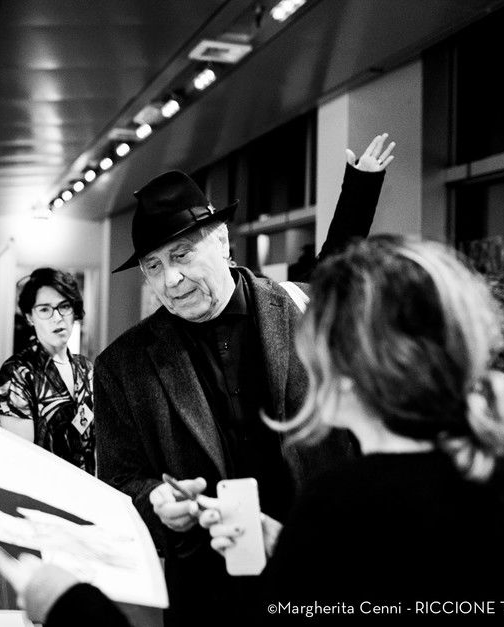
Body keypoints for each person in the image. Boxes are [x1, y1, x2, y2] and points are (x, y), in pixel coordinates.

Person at [94, 135, 394, 626]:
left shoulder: (299, 310)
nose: (171, 280)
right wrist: (157, 503)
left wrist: (360, 188)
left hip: (318, 574)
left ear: (222, 242)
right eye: (154, 267)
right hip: (207, 598)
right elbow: (121, 484)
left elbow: (339, 271)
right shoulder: (122, 368)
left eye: (182, 255)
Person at [198, 236, 504, 621]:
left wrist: (297, 557)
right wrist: (293, 547)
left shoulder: (336, 504)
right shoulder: (502, 478)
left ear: (348, 369)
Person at [0, 268, 95, 474]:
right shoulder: (18, 372)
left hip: (88, 486)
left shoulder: (86, 368)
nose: (57, 317)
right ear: (30, 316)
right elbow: (21, 460)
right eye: (45, 309)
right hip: (43, 487)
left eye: (64, 306)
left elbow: (95, 439)